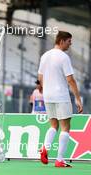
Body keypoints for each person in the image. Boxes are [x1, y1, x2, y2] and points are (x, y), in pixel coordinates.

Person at [38, 31, 83, 168]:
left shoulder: (45, 55)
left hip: (48, 95)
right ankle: (59, 160)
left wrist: (47, 90)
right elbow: (71, 80)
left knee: (53, 125)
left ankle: (45, 147)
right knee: (65, 127)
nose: (71, 44)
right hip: (61, 95)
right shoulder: (64, 57)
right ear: (62, 41)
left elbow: (40, 77)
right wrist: (78, 99)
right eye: (69, 41)